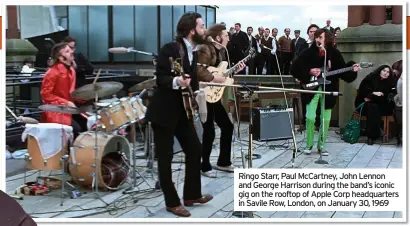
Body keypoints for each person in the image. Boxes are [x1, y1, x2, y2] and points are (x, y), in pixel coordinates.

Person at [145, 12, 212, 217]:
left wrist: (198, 98)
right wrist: (176, 82)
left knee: (194, 149)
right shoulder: (171, 49)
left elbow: (193, 82)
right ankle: (172, 202)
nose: (204, 30)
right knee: (165, 160)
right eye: (201, 26)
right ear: (192, 30)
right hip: (164, 112)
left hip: (183, 111)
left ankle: (191, 195)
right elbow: (161, 78)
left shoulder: (193, 52)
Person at [291, 29, 359, 155]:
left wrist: (352, 69)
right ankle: (309, 144)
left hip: (329, 89)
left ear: (327, 39)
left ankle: (321, 146)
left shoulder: (334, 53)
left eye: (321, 37)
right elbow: (294, 68)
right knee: (310, 118)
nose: (318, 39)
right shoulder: (308, 52)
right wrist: (309, 71)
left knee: (325, 119)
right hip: (311, 88)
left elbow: (343, 72)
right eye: (317, 37)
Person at [196, 23, 246, 178]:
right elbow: (199, 70)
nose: (228, 38)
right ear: (218, 38)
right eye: (225, 35)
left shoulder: (222, 53)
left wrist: (234, 70)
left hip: (214, 95)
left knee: (227, 126)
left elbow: (221, 72)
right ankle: (204, 166)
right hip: (203, 94)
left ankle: (223, 162)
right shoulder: (205, 49)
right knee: (209, 130)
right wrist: (214, 78)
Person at [40, 42, 86, 139]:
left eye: (71, 49)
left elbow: (71, 93)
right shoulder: (52, 72)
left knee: (88, 125)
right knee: (76, 130)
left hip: (69, 109)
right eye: (67, 51)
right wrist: (66, 103)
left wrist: (84, 96)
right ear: (61, 58)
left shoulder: (72, 71)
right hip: (55, 112)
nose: (71, 52)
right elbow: (46, 95)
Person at [355, 65, 396, 145]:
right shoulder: (370, 78)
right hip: (365, 105)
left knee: (374, 107)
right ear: (380, 71)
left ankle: (371, 136)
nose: (385, 73)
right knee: (373, 107)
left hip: (382, 105)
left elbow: (390, 95)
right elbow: (362, 91)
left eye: (388, 72)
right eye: (384, 71)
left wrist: (373, 97)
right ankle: (373, 135)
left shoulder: (390, 82)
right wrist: (373, 93)